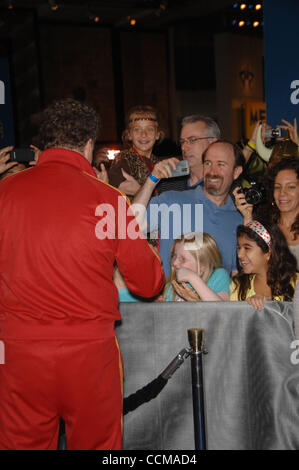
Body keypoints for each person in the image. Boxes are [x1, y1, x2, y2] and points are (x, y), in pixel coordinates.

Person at [0, 98, 164, 450]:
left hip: (17, 352)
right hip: (89, 354)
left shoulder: (4, 193)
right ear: (89, 144)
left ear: (41, 145)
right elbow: (149, 283)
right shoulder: (108, 201)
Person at [132, 140, 245, 278]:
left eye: (221, 164)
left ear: (236, 172)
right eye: (208, 163)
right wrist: (152, 180)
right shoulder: (171, 201)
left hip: (217, 299)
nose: (212, 171)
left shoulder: (239, 219)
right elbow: (131, 226)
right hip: (168, 298)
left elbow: (236, 275)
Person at [233, 157, 299, 268]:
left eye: (291, 187)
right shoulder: (264, 226)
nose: (282, 193)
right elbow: (245, 265)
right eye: (277, 187)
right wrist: (248, 217)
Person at [230, 220, 298, 310]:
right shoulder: (238, 286)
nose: (239, 254)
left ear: (268, 253)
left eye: (247, 248)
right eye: (239, 248)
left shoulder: (296, 282)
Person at [108, 105, 164, 199]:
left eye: (149, 129)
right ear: (129, 135)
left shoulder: (158, 162)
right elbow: (117, 184)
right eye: (137, 129)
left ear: (158, 134)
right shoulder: (124, 159)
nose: (143, 134)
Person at [162, 232, 230, 302]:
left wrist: (193, 278)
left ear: (202, 266)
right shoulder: (171, 287)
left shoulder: (218, 276)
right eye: (174, 256)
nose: (174, 263)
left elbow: (221, 309)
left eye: (183, 259)